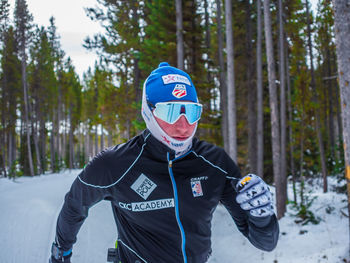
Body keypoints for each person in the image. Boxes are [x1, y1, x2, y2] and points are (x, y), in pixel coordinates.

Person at [49, 62, 279, 263]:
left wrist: (262, 218)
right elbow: (74, 206)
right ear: (148, 111)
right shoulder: (115, 164)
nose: (183, 125)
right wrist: (60, 253)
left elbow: (265, 244)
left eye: (191, 112)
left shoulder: (214, 163)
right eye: (170, 112)